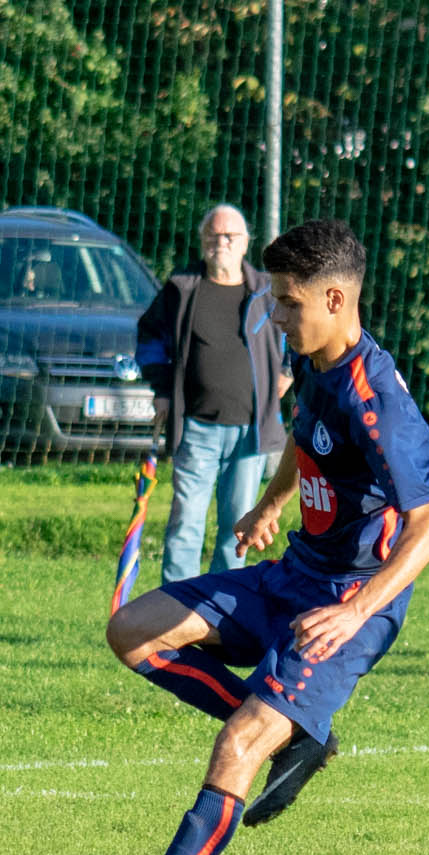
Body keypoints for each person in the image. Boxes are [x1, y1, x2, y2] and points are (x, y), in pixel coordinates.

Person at [66, 219, 429, 855]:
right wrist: (272, 504)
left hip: (341, 604)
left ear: (335, 300)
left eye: (288, 302)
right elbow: (307, 439)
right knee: (133, 629)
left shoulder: (378, 400)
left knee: (240, 741)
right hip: (291, 575)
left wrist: (355, 611)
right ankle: (299, 731)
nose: (275, 315)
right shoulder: (316, 361)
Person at [134, 204, 292, 584]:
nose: (221, 243)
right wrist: (161, 389)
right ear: (203, 240)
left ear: (245, 243)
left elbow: (298, 330)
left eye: (230, 236)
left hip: (250, 432)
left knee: (238, 525)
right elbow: (149, 337)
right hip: (196, 427)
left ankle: (222, 604)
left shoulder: (266, 292)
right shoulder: (182, 287)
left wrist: (288, 371)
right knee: (185, 522)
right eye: (213, 235)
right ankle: (177, 603)